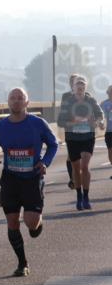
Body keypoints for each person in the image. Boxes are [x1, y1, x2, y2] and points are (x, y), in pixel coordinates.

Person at [0, 88, 59, 277]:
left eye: (20, 98)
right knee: (12, 222)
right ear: (8, 102)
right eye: (12, 98)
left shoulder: (38, 123)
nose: (16, 101)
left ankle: (37, 223)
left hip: (32, 177)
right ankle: (22, 263)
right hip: (10, 179)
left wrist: (45, 162)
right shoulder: (0, 126)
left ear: (27, 102)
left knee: (31, 224)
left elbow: (53, 144)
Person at [58, 76, 105, 210]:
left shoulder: (91, 100)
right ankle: (78, 195)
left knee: (84, 166)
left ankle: (86, 196)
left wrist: (99, 122)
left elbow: (99, 114)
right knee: (76, 168)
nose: (80, 88)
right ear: (72, 88)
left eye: (82, 86)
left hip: (88, 137)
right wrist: (74, 122)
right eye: (77, 86)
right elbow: (60, 121)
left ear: (85, 88)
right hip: (72, 138)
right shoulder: (68, 102)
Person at [59, 74, 89, 188]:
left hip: (85, 129)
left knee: (83, 155)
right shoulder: (65, 96)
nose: (73, 83)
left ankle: (80, 175)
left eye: (76, 81)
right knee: (71, 155)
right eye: (72, 81)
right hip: (71, 129)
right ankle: (73, 179)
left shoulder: (87, 95)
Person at [102, 85, 112, 179]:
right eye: (108, 91)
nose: (109, 93)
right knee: (110, 151)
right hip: (109, 131)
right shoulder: (104, 103)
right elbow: (100, 116)